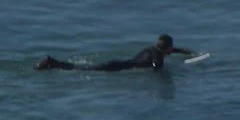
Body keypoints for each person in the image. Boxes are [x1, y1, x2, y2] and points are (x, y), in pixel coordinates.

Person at [37, 35, 195, 72]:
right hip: (116, 68)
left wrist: (182, 51)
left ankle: (53, 63)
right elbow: (157, 67)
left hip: (117, 63)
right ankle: (52, 62)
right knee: (80, 69)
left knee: (82, 68)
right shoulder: (158, 57)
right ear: (167, 49)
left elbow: (164, 51)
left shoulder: (151, 49)